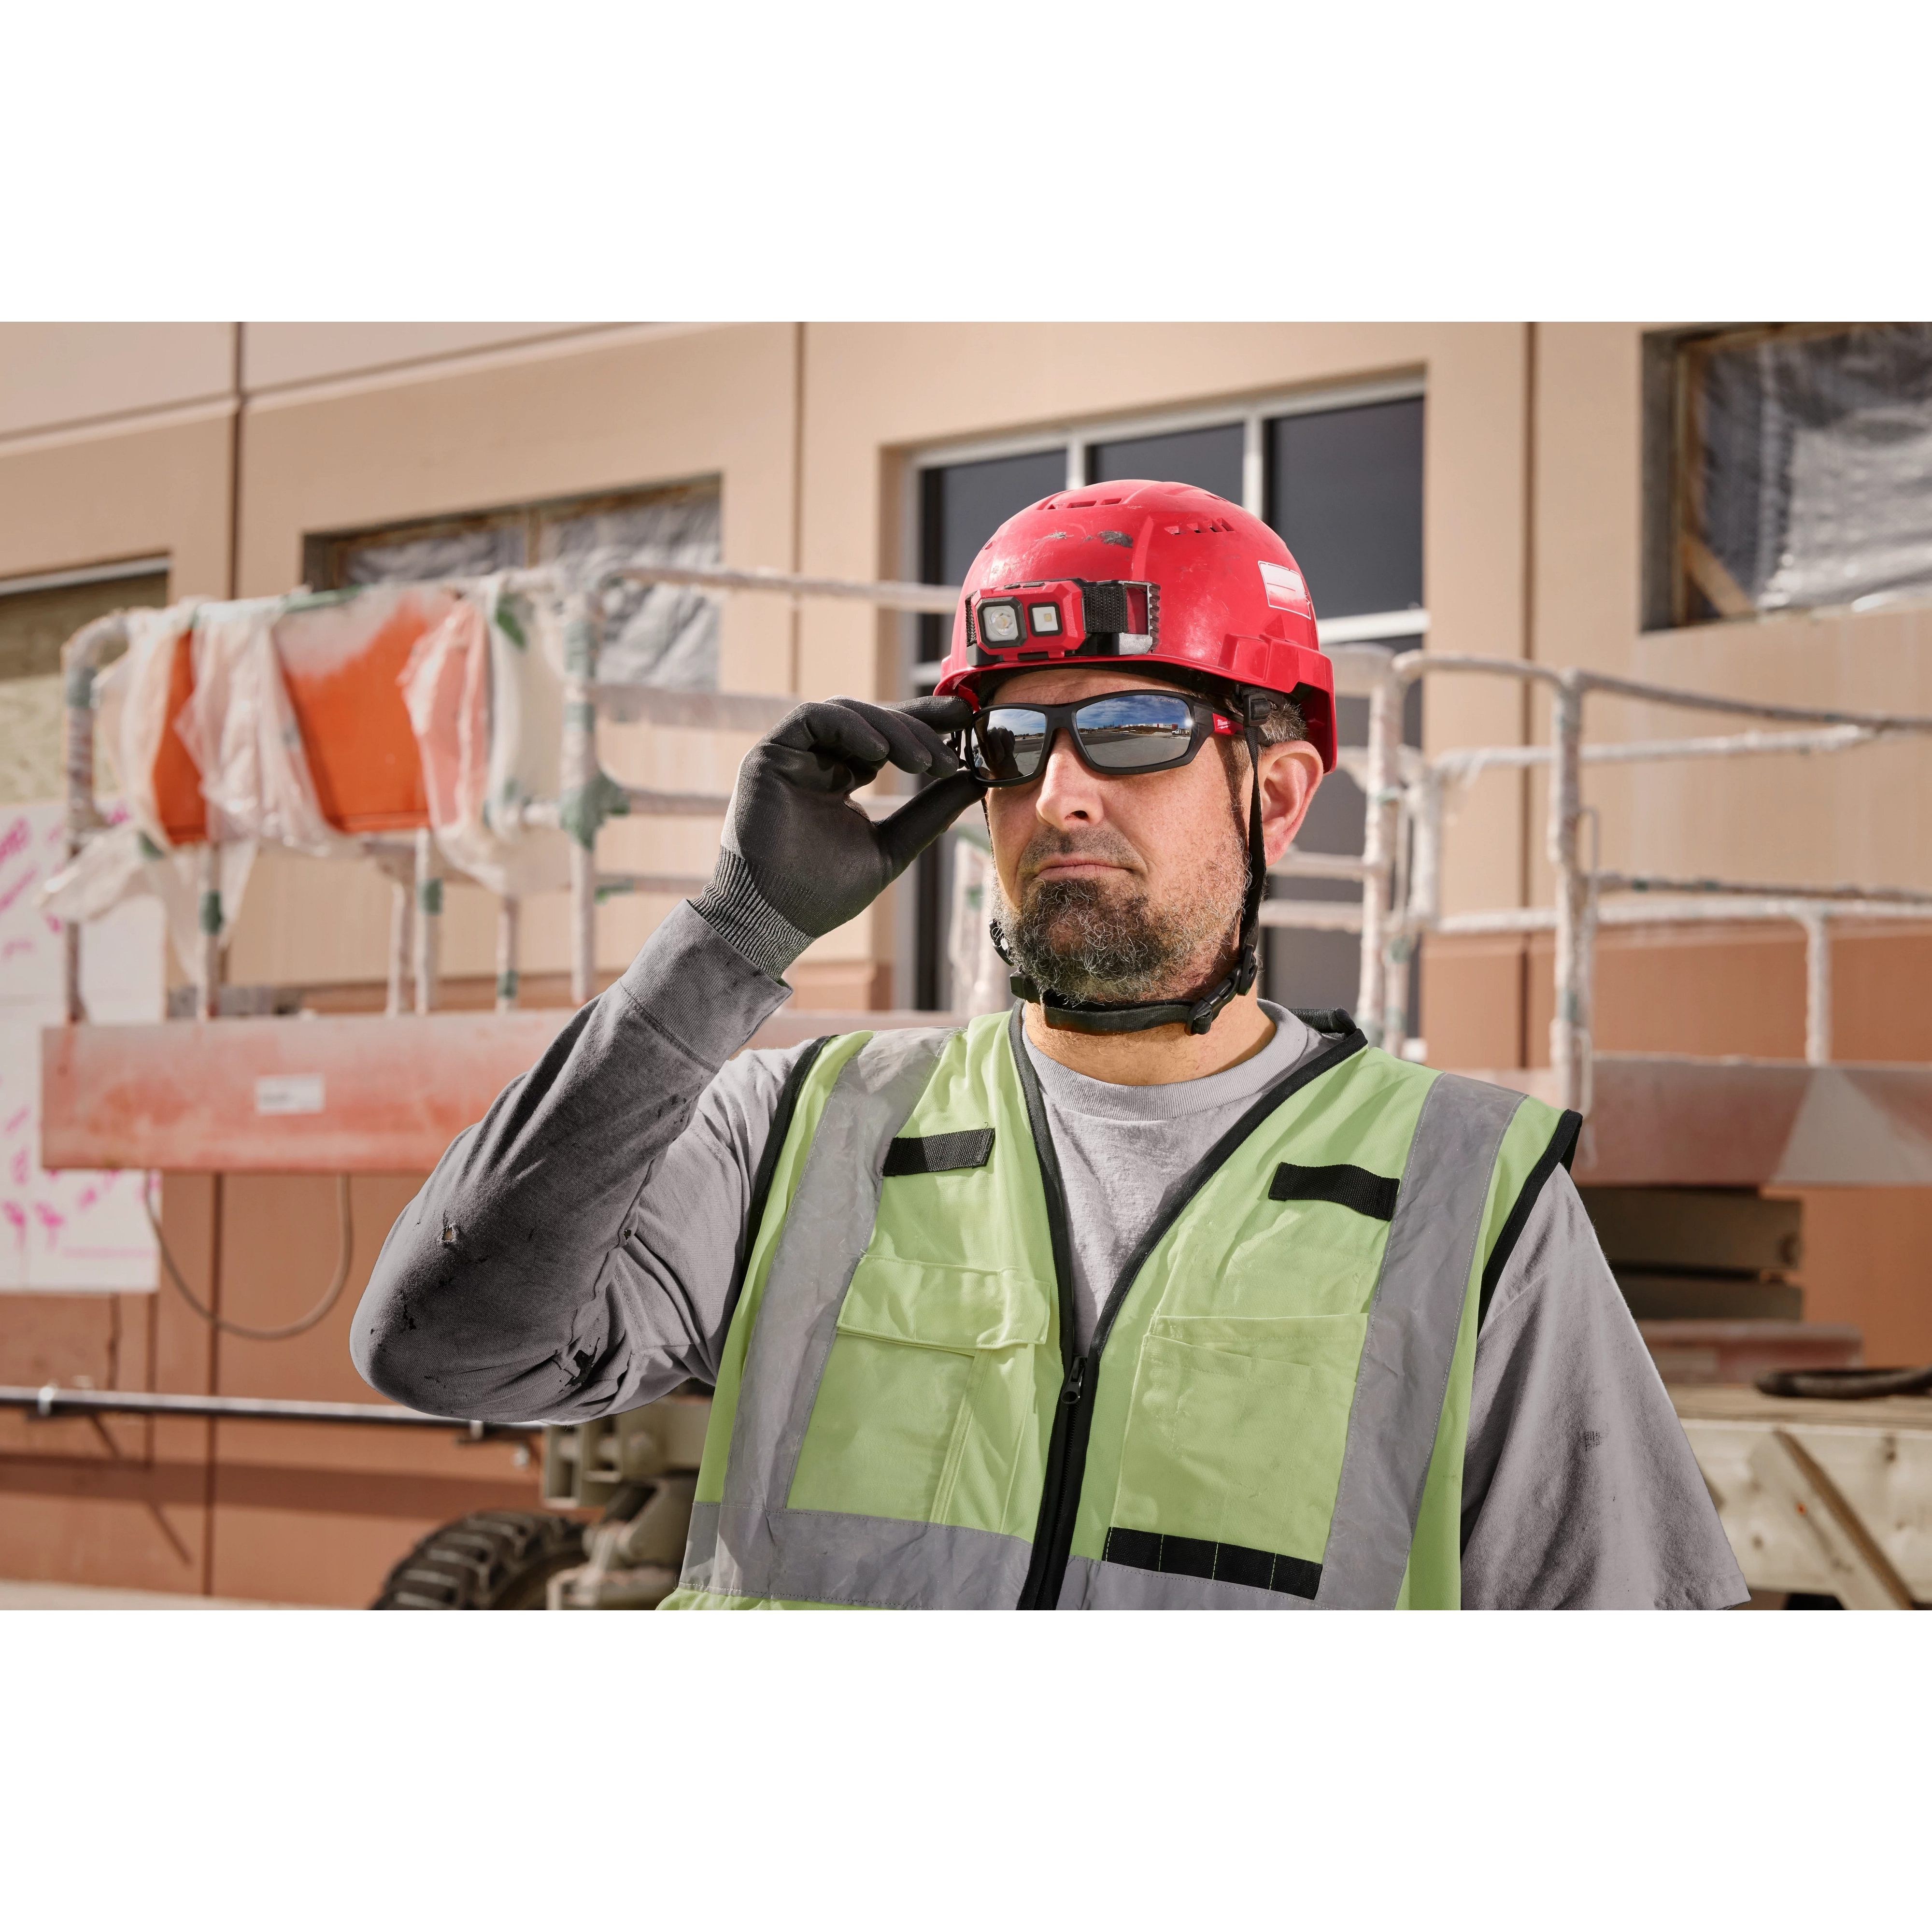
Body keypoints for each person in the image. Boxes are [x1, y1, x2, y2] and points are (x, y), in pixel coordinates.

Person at [353, 480, 1746, 1612]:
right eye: (1012, 743)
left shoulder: (1472, 1196)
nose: (1061, 793)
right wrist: (735, 936)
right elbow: (445, 1354)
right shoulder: (803, 1129)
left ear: (1278, 795)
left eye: (1133, 729)